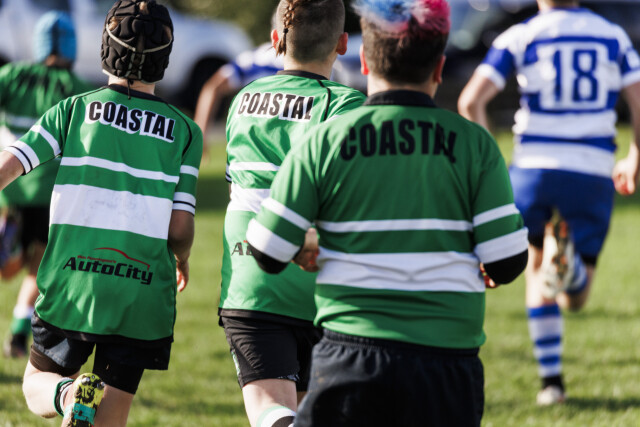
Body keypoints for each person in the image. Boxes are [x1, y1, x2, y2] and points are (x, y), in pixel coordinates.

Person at [245, 0, 528, 425]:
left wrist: (309, 241)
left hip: (351, 356)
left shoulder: (325, 140)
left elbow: (266, 251)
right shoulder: (476, 145)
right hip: (448, 361)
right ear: (439, 68)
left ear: (363, 59)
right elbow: (506, 262)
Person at [0, 1, 202, 425]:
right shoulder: (185, 131)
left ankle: (67, 393)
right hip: (141, 293)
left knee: (37, 383)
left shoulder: (72, 109)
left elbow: (7, 167)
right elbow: (180, 227)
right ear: (164, 59)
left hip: (73, 284)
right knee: (112, 415)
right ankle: (84, 402)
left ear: (104, 49)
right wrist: (182, 257)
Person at [458, 0, 640, 406]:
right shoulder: (612, 35)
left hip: (533, 169)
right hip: (591, 169)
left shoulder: (520, 35)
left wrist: (491, 165)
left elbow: (470, 101)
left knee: (536, 271)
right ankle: (571, 271)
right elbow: (638, 99)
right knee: (576, 298)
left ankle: (552, 384)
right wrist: (635, 157)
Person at [219, 0, 366, 426]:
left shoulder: (244, 99)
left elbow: (235, 185)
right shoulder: (346, 106)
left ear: (275, 40)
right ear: (342, 44)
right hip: (321, 285)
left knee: (271, 411)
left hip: (251, 280)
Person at [0, 11, 94, 359]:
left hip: (8, 189)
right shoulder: (79, 91)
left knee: (9, 268)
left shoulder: (12, 76)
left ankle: (9, 249)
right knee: (37, 268)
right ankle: (17, 332)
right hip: (50, 196)